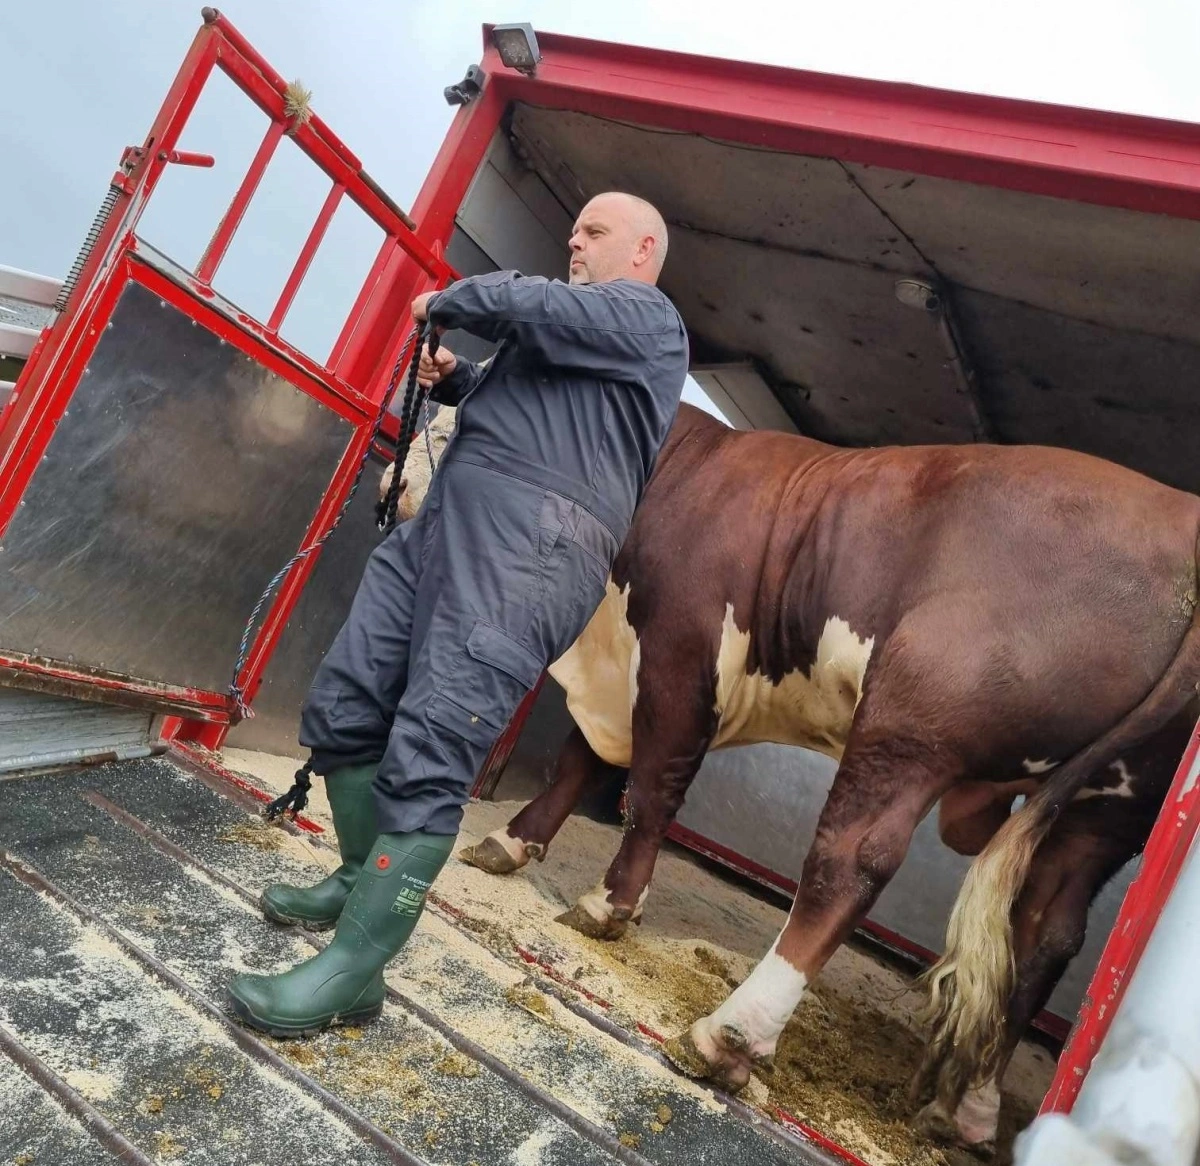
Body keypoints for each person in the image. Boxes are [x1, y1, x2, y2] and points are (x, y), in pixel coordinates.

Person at [227, 192, 690, 1037]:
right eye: (573, 228)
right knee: (347, 702)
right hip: (447, 523)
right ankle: (356, 878)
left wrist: (451, 301)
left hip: (529, 548)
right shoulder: (585, 337)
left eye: (592, 231)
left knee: (434, 740)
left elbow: (530, 304)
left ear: (642, 249)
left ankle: (354, 974)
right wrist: (463, 378)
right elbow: (537, 398)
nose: (574, 242)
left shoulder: (647, 318)